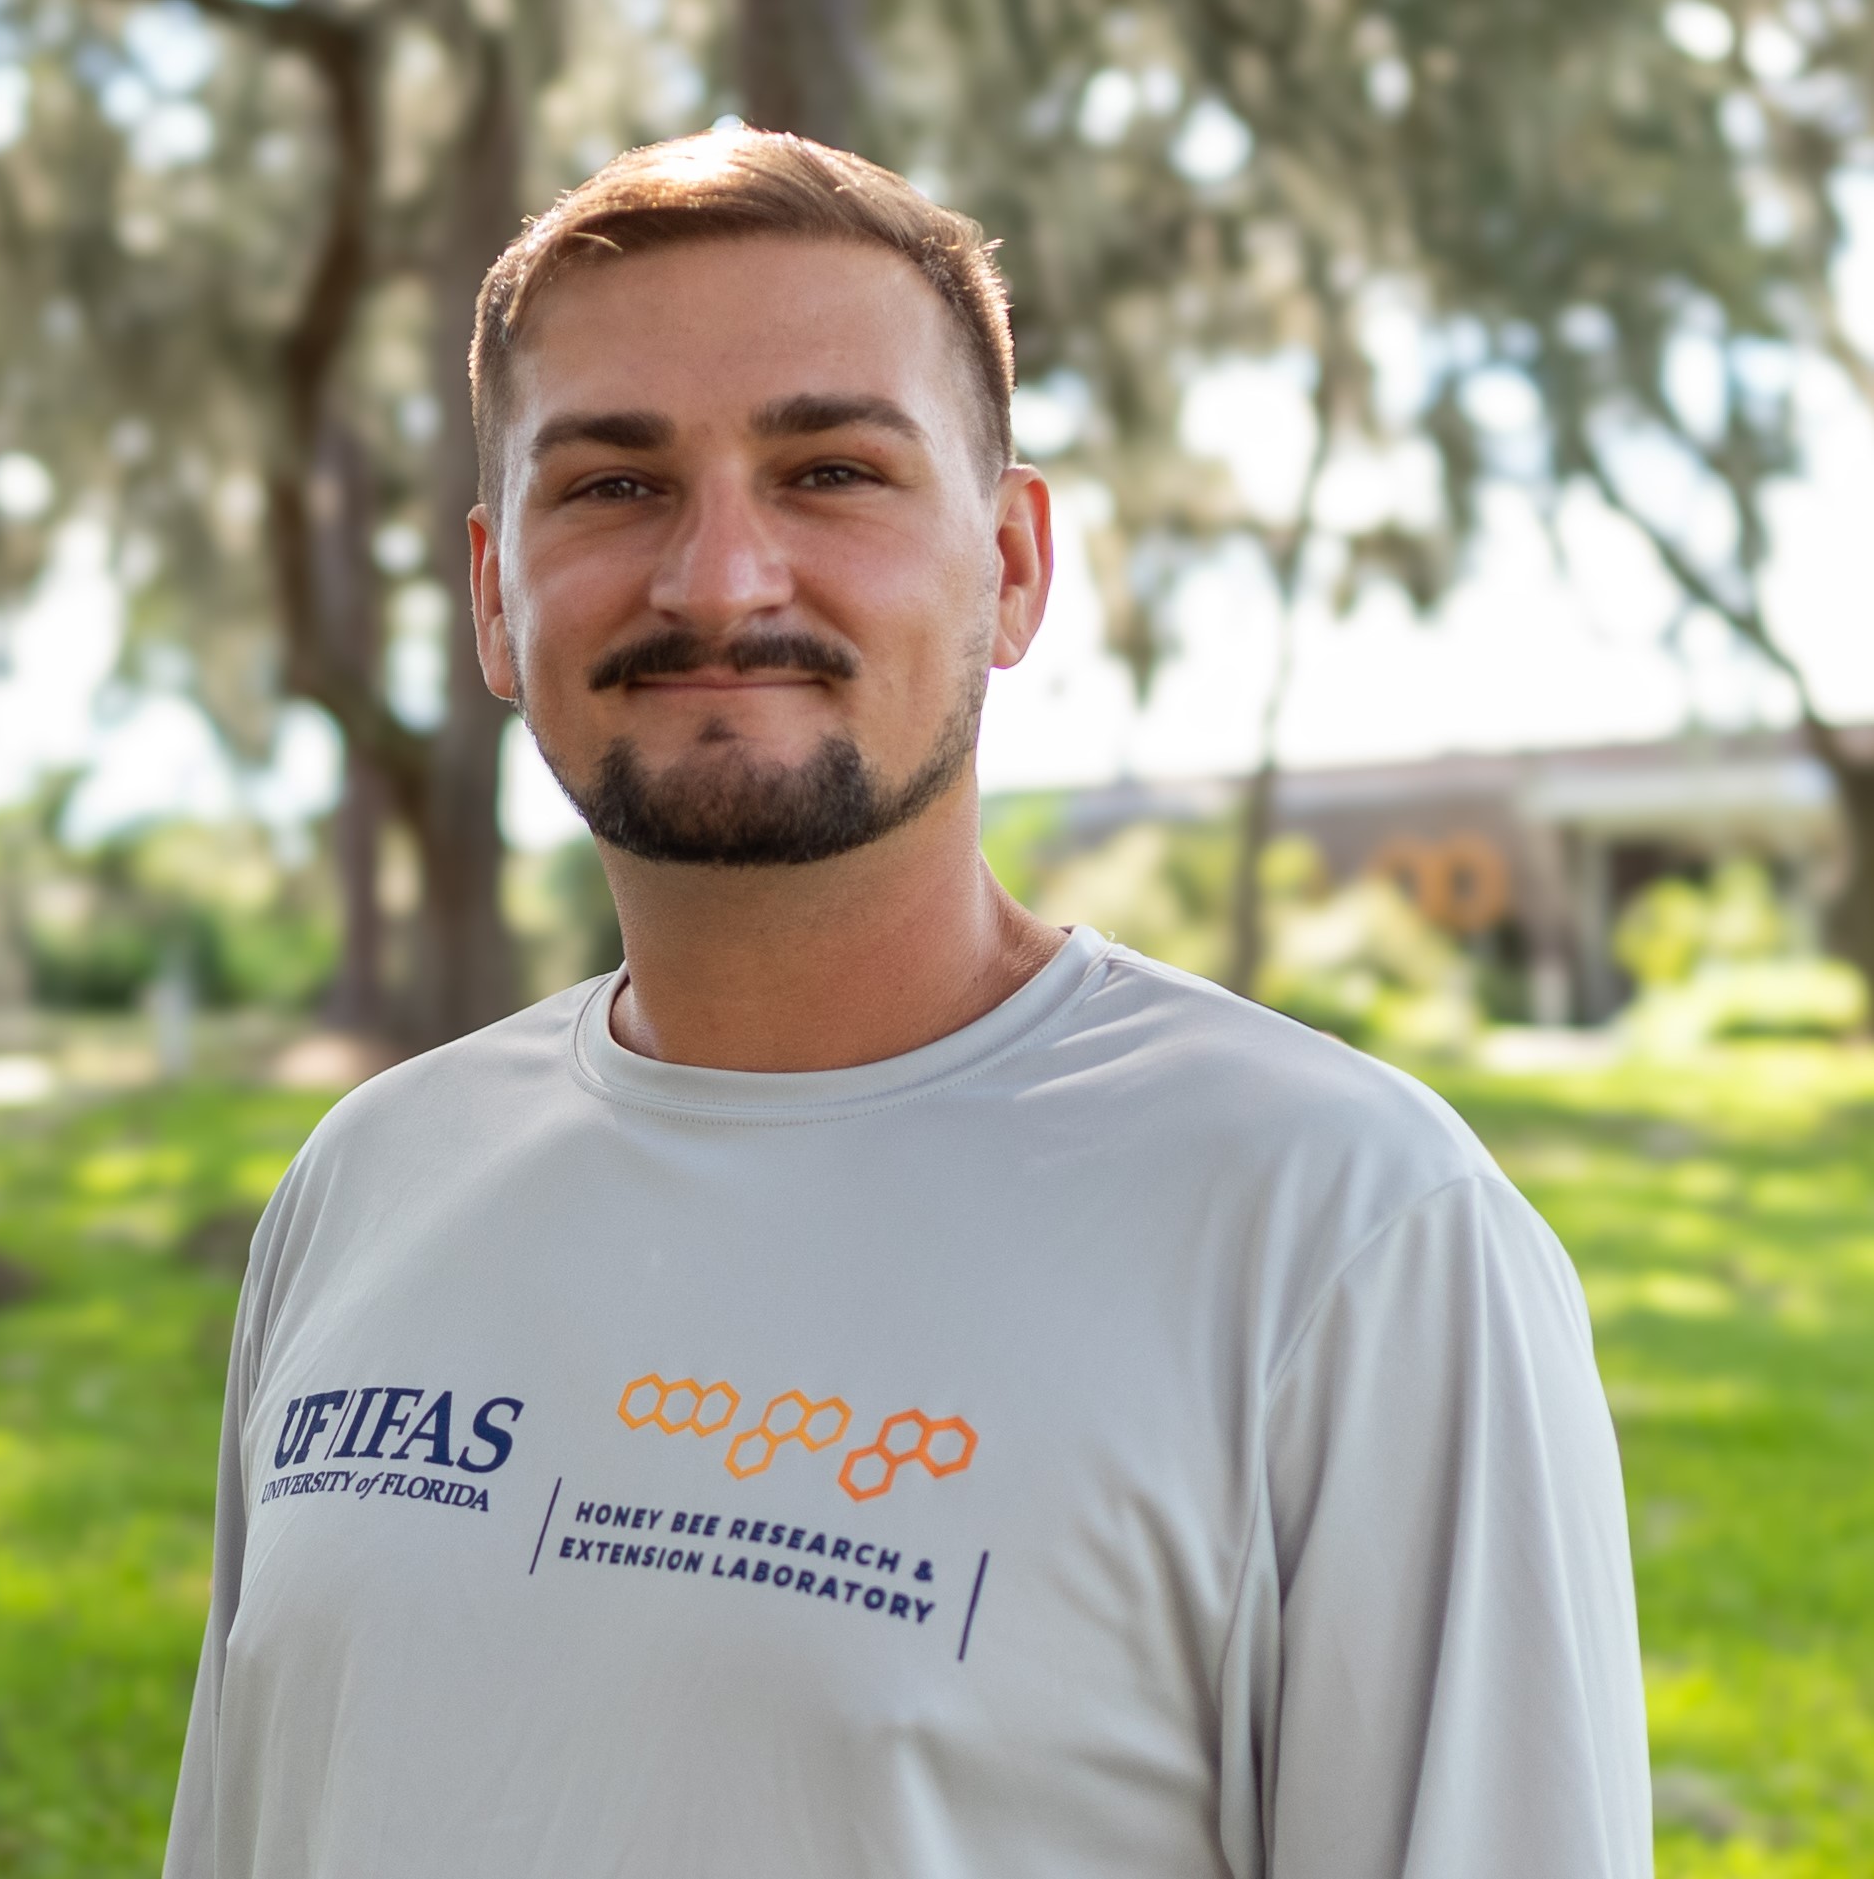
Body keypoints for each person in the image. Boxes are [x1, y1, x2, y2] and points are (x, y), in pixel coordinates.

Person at [166, 130, 1650, 1879]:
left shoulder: (1346, 1236)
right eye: (613, 485)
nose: (719, 579)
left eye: (833, 471)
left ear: (1014, 565)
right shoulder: (369, 1183)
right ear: (495, 593)